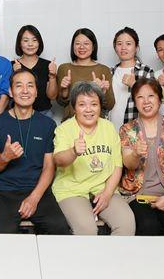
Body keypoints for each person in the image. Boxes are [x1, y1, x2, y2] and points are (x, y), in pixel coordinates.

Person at [0, 68, 69, 234]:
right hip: (4, 192)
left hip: (38, 190)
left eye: (30, 86)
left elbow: (49, 167)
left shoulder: (47, 124)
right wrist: (5, 157)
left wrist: (34, 198)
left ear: (36, 91)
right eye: (19, 86)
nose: (25, 91)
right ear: (10, 91)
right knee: (2, 232)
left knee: (59, 227)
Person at [52, 81, 135, 235]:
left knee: (126, 223)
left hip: (102, 188)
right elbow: (58, 159)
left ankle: (113, 259)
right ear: (74, 107)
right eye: (82, 104)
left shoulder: (108, 127)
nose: (89, 109)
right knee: (87, 230)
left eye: (94, 104)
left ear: (100, 107)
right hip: (72, 190)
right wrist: (74, 151)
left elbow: (117, 166)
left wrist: (107, 193)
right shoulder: (64, 129)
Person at [119, 78, 164, 236]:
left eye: (151, 96)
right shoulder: (128, 129)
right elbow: (129, 165)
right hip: (138, 194)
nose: (146, 102)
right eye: (140, 97)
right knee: (148, 226)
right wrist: (136, 154)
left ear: (159, 98)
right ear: (135, 102)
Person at [57, 28, 115, 121]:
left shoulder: (104, 70)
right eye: (77, 43)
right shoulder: (64, 68)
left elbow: (110, 105)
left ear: (93, 47)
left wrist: (103, 92)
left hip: (96, 124)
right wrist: (64, 90)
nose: (81, 47)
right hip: (71, 124)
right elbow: (61, 103)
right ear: (73, 46)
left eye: (86, 43)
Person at [109, 27, 155, 130]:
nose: (123, 47)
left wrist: (135, 85)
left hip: (135, 130)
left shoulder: (146, 71)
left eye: (128, 44)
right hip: (110, 130)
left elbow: (154, 101)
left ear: (136, 47)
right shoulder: (109, 72)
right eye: (119, 44)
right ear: (115, 47)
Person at [11, 25, 58, 117]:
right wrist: (16, 74)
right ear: (19, 43)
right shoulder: (12, 65)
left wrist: (52, 76)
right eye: (25, 40)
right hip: (19, 114)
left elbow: (52, 96)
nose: (30, 44)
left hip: (44, 114)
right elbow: (9, 95)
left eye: (34, 40)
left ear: (39, 43)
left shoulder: (48, 65)